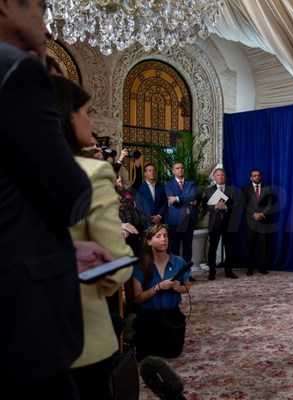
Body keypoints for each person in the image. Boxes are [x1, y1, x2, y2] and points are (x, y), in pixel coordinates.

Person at [0, 1, 100, 398]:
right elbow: (71, 194)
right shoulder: (17, 71)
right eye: (41, 11)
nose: (47, 27)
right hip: (20, 318)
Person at [50, 75, 134, 400]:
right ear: (67, 116)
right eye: (86, 112)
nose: (91, 121)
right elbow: (115, 266)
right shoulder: (91, 173)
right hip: (82, 336)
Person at [132, 224, 191, 360]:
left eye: (165, 236)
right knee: (147, 357)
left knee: (173, 354)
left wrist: (178, 288)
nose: (163, 239)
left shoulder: (179, 262)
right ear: (149, 241)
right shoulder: (141, 265)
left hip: (172, 316)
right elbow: (138, 298)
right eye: (158, 236)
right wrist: (158, 287)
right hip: (149, 318)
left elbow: (187, 286)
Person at [202, 168, 241, 280]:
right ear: (214, 177)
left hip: (229, 223)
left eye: (222, 175)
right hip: (214, 223)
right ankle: (212, 272)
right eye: (218, 175)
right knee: (212, 248)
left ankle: (229, 271)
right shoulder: (208, 190)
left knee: (229, 248)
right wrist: (214, 207)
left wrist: (226, 207)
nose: (220, 177)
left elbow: (237, 205)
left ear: (225, 177)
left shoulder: (232, 190)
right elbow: (204, 206)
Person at [165, 162, 198, 270]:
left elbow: (193, 196)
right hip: (175, 221)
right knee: (174, 249)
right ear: (173, 171)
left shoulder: (191, 183)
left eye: (182, 168)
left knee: (187, 248)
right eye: (177, 168)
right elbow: (171, 200)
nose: (180, 170)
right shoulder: (168, 185)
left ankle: (186, 273)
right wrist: (188, 200)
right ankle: (176, 273)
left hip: (189, 220)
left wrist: (177, 198)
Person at [242, 169, 276, 275]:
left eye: (258, 175)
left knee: (263, 246)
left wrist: (262, 214)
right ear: (251, 178)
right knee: (250, 245)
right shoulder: (245, 189)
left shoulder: (268, 189)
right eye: (254, 175)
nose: (256, 177)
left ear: (260, 177)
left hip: (263, 220)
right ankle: (250, 268)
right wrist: (253, 214)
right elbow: (244, 204)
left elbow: (270, 204)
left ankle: (262, 268)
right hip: (251, 221)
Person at [136, 162, 168, 228]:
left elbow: (165, 203)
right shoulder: (140, 189)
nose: (152, 172)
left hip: (160, 221)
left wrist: (159, 216)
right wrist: (150, 218)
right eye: (150, 171)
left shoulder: (161, 187)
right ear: (145, 173)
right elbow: (139, 207)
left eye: (153, 170)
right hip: (147, 222)